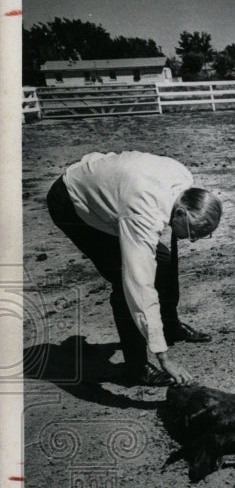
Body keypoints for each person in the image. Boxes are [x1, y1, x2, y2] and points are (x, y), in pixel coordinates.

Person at [46, 151, 222, 386]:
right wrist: (163, 357)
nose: (193, 240)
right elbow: (139, 286)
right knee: (124, 281)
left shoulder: (182, 178)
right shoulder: (143, 215)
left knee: (165, 261)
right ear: (179, 212)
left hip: (112, 189)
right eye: (193, 233)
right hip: (72, 202)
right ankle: (136, 367)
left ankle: (171, 327)